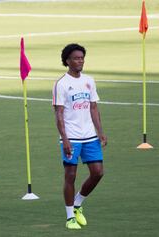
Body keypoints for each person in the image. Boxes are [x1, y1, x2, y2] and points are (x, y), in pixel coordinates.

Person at [52, 43, 107, 229]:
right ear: (67, 61)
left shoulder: (89, 80)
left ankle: (77, 204)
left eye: (82, 58)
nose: (80, 61)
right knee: (70, 175)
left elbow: (93, 107)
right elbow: (58, 114)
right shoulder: (61, 84)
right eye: (76, 58)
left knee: (98, 172)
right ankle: (70, 217)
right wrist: (65, 139)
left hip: (90, 136)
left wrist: (100, 132)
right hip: (72, 137)